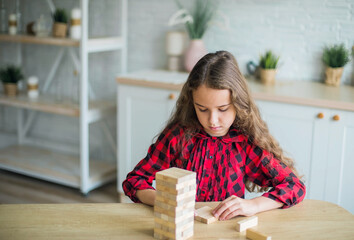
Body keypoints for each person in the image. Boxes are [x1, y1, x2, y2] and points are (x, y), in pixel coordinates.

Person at [122, 50, 306, 221]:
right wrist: (165, 201)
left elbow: (294, 186)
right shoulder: (177, 137)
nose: (213, 121)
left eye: (223, 109)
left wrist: (254, 205)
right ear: (192, 103)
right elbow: (134, 181)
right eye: (202, 109)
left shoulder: (246, 143)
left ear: (238, 103)